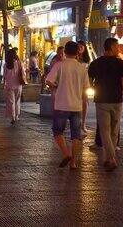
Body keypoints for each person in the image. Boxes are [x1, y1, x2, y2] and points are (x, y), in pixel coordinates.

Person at [88, 38, 123, 171]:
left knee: (105, 131)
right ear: (111, 47)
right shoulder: (120, 63)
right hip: (117, 100)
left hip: (101, 101)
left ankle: (108, 158)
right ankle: (112, 158)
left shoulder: (95, 63)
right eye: (117, 46)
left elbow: (88, 81)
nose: (119, 49)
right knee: (114, 131)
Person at [46, 41, 90, 170]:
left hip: (61, 105)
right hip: (76, 106)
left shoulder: (59, 65)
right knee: (76, 135)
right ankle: (74, 162)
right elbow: (85, 88)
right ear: (77, 52)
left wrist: (55, 86)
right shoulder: (82, 68)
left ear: (64, 52)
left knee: (57, 131)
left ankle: (66, 153)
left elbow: (48, 81)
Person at [4, 48, 24, 124]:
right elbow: (23, 73)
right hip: (18, 85)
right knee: (17, 101)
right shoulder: (19, 63)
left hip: (9, 85)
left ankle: (13, 117)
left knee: (11, 102)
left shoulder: (6, 64)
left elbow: (5, 75)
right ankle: (16, 116)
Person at [77, 40, 91, 134]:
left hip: (84, 83)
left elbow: (89, 72)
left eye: (81, 47)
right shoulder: (73, 58)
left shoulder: (87, 60)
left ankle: (83, 124)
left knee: (85, 103)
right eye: (78, 47)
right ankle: (76, 123)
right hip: (75, 83)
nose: (80, 49)